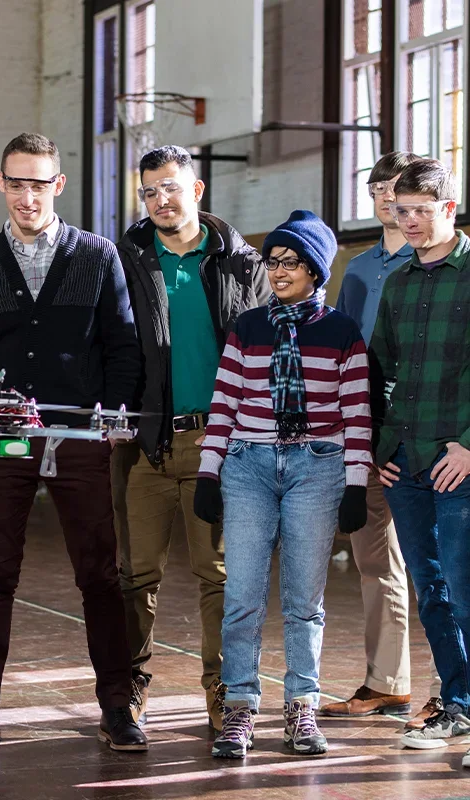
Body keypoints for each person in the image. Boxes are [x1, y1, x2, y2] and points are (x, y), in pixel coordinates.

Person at [0, 132, 147, 753]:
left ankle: (117, 706)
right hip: (2, 442)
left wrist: (109, 424)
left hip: (80, 437)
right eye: (17, 182)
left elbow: (123, 345)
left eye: (40, 183)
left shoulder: (97, 255)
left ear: (58, 185)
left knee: (99, 573)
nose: (28, 195)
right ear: (0, 183)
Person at [196, 210, 372, 758]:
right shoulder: (246, 328)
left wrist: (356, 484)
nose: (277, 271)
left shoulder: (342, 333)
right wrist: (209, 470)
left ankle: (301, 710)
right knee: (242, 597)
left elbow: (357, 413)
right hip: (248, 465)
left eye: (290, 262)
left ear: (315, 269)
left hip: (317, 467)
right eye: (272, 261)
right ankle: (240, 710)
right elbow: (223, 402)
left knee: (304, 601)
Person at [112, 145, 270, 731]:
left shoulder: (240, 263)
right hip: (143, 446)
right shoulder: (124, 260)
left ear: (197, 191)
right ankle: (128, 688)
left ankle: (225, 697)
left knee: (220, 577)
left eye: (170, 188)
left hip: (220, 447)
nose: (159, 200)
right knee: (134, 576)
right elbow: (106, 345)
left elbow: (260, 356)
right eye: (149, 191)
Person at [321, 151, 442, 728]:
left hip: (433, 433)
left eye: (398, 190)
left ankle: (453, 689)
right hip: (372, 433)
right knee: (377, 561)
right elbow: (347, 351)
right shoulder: (362, 269)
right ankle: (388, 681)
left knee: (444, 568)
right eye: (378, 190)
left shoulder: (438, 266)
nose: (389, 201)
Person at [370, 159, 470, 764]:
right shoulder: (400, 283)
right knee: (429, 590)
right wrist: (382, 449)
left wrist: (469, 442)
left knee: (465, 588)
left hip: (458, 460)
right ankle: (458, 706)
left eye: (421, 211)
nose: (408, 221)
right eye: (401, 210)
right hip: (406, 459)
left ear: (449, 210)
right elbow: (382, 371)